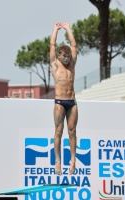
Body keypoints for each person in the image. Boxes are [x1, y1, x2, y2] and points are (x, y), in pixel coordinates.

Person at [50, 22, 78, 175]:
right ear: (59, 56)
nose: (67, 58)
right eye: (64, 56)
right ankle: (57, 160)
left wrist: (68, 29)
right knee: (58, 131)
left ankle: (73, 160)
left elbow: (74, 45)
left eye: (68, 56)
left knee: (72, 131)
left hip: (72, 102)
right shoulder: (55, 65)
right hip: (60, 102)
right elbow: (52, 44)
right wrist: (56, 29)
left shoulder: (72, 66)